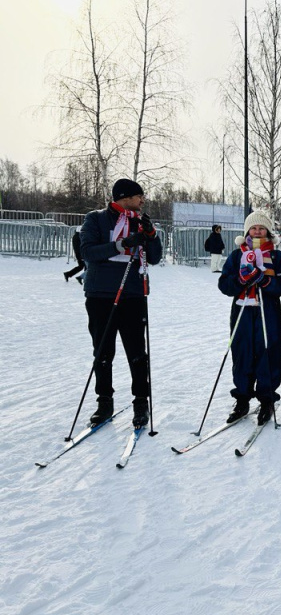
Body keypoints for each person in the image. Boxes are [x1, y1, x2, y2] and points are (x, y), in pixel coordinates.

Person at [78, 178, 162, 428]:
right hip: (100, 294)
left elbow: (155, 257)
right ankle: (105, 401)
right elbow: (88, 252)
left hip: (133, 295)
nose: (143, 200)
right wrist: (122, 244)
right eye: (139, 196)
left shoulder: (140, 221)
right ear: (125, 197)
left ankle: (140, 402)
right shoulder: (97, 219)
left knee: (137, 352)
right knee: (103, 351)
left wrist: (151, 235)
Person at [218, 211, 281, 425]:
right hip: (242, 312)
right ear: (247, 231)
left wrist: (264, 281)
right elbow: (224, 284)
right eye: (254, 228)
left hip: (267, 311)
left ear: (268, 231)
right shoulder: (236, 255)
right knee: (242, 354)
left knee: (268, 353)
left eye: (262, 228)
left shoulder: (277, 256)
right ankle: (242, 399)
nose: (258, 231)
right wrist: (241, 280)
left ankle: (267, 399)